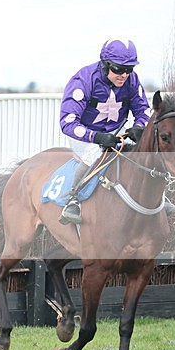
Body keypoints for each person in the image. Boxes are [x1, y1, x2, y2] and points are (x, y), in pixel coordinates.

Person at [58, 38, 151, 225]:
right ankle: (72, 200)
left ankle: (155, 198)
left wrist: (139, 127)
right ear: (105, 64)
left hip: (117, 131)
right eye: (118, 69)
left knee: (144, 150)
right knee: (95, 154)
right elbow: (67, 122)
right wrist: (96, 137)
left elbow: (144, 111)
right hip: (85, 135)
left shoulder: (132, 80)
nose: (123, 75)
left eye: (129, 69)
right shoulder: (83, 80)